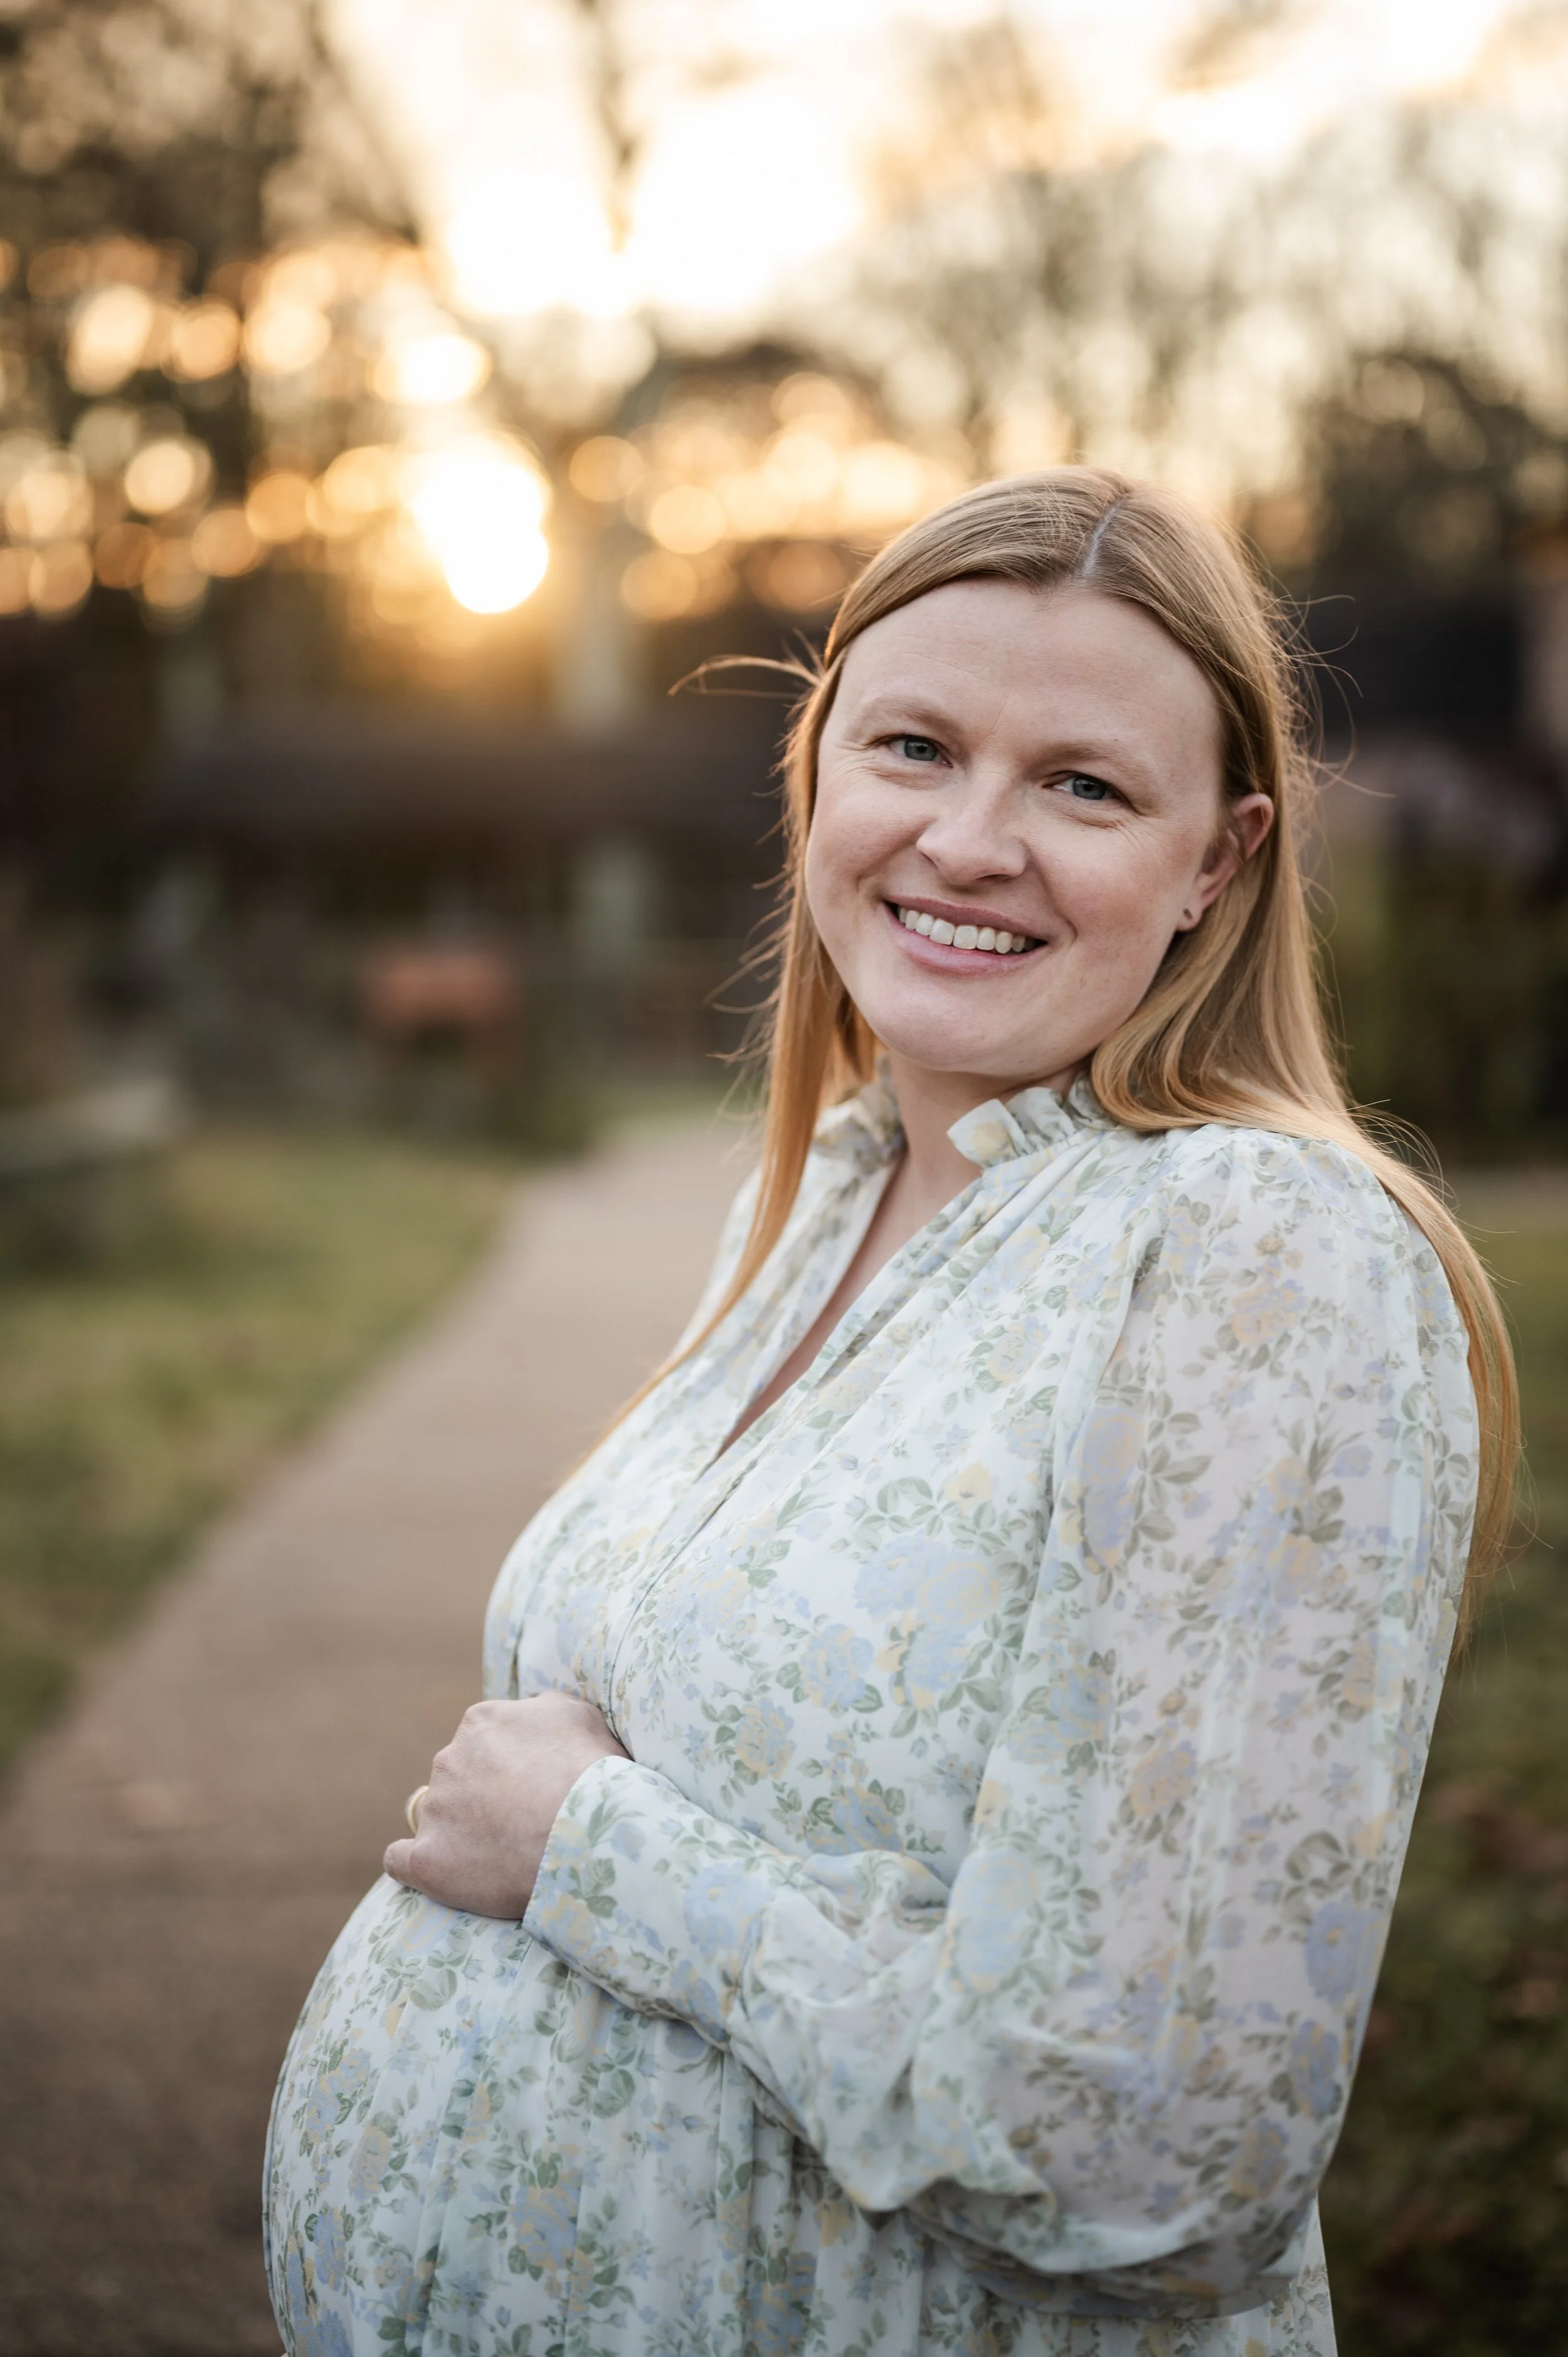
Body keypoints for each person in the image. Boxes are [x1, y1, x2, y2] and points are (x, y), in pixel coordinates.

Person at [266, 469, 1516, 2357]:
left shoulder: (1256, 1255)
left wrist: (592, 1847)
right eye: (913, 747)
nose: (969, 839)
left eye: (1082, 785)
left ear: (1218, 857)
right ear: (817, 767)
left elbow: (1146, 2142)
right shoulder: (833, 1187)